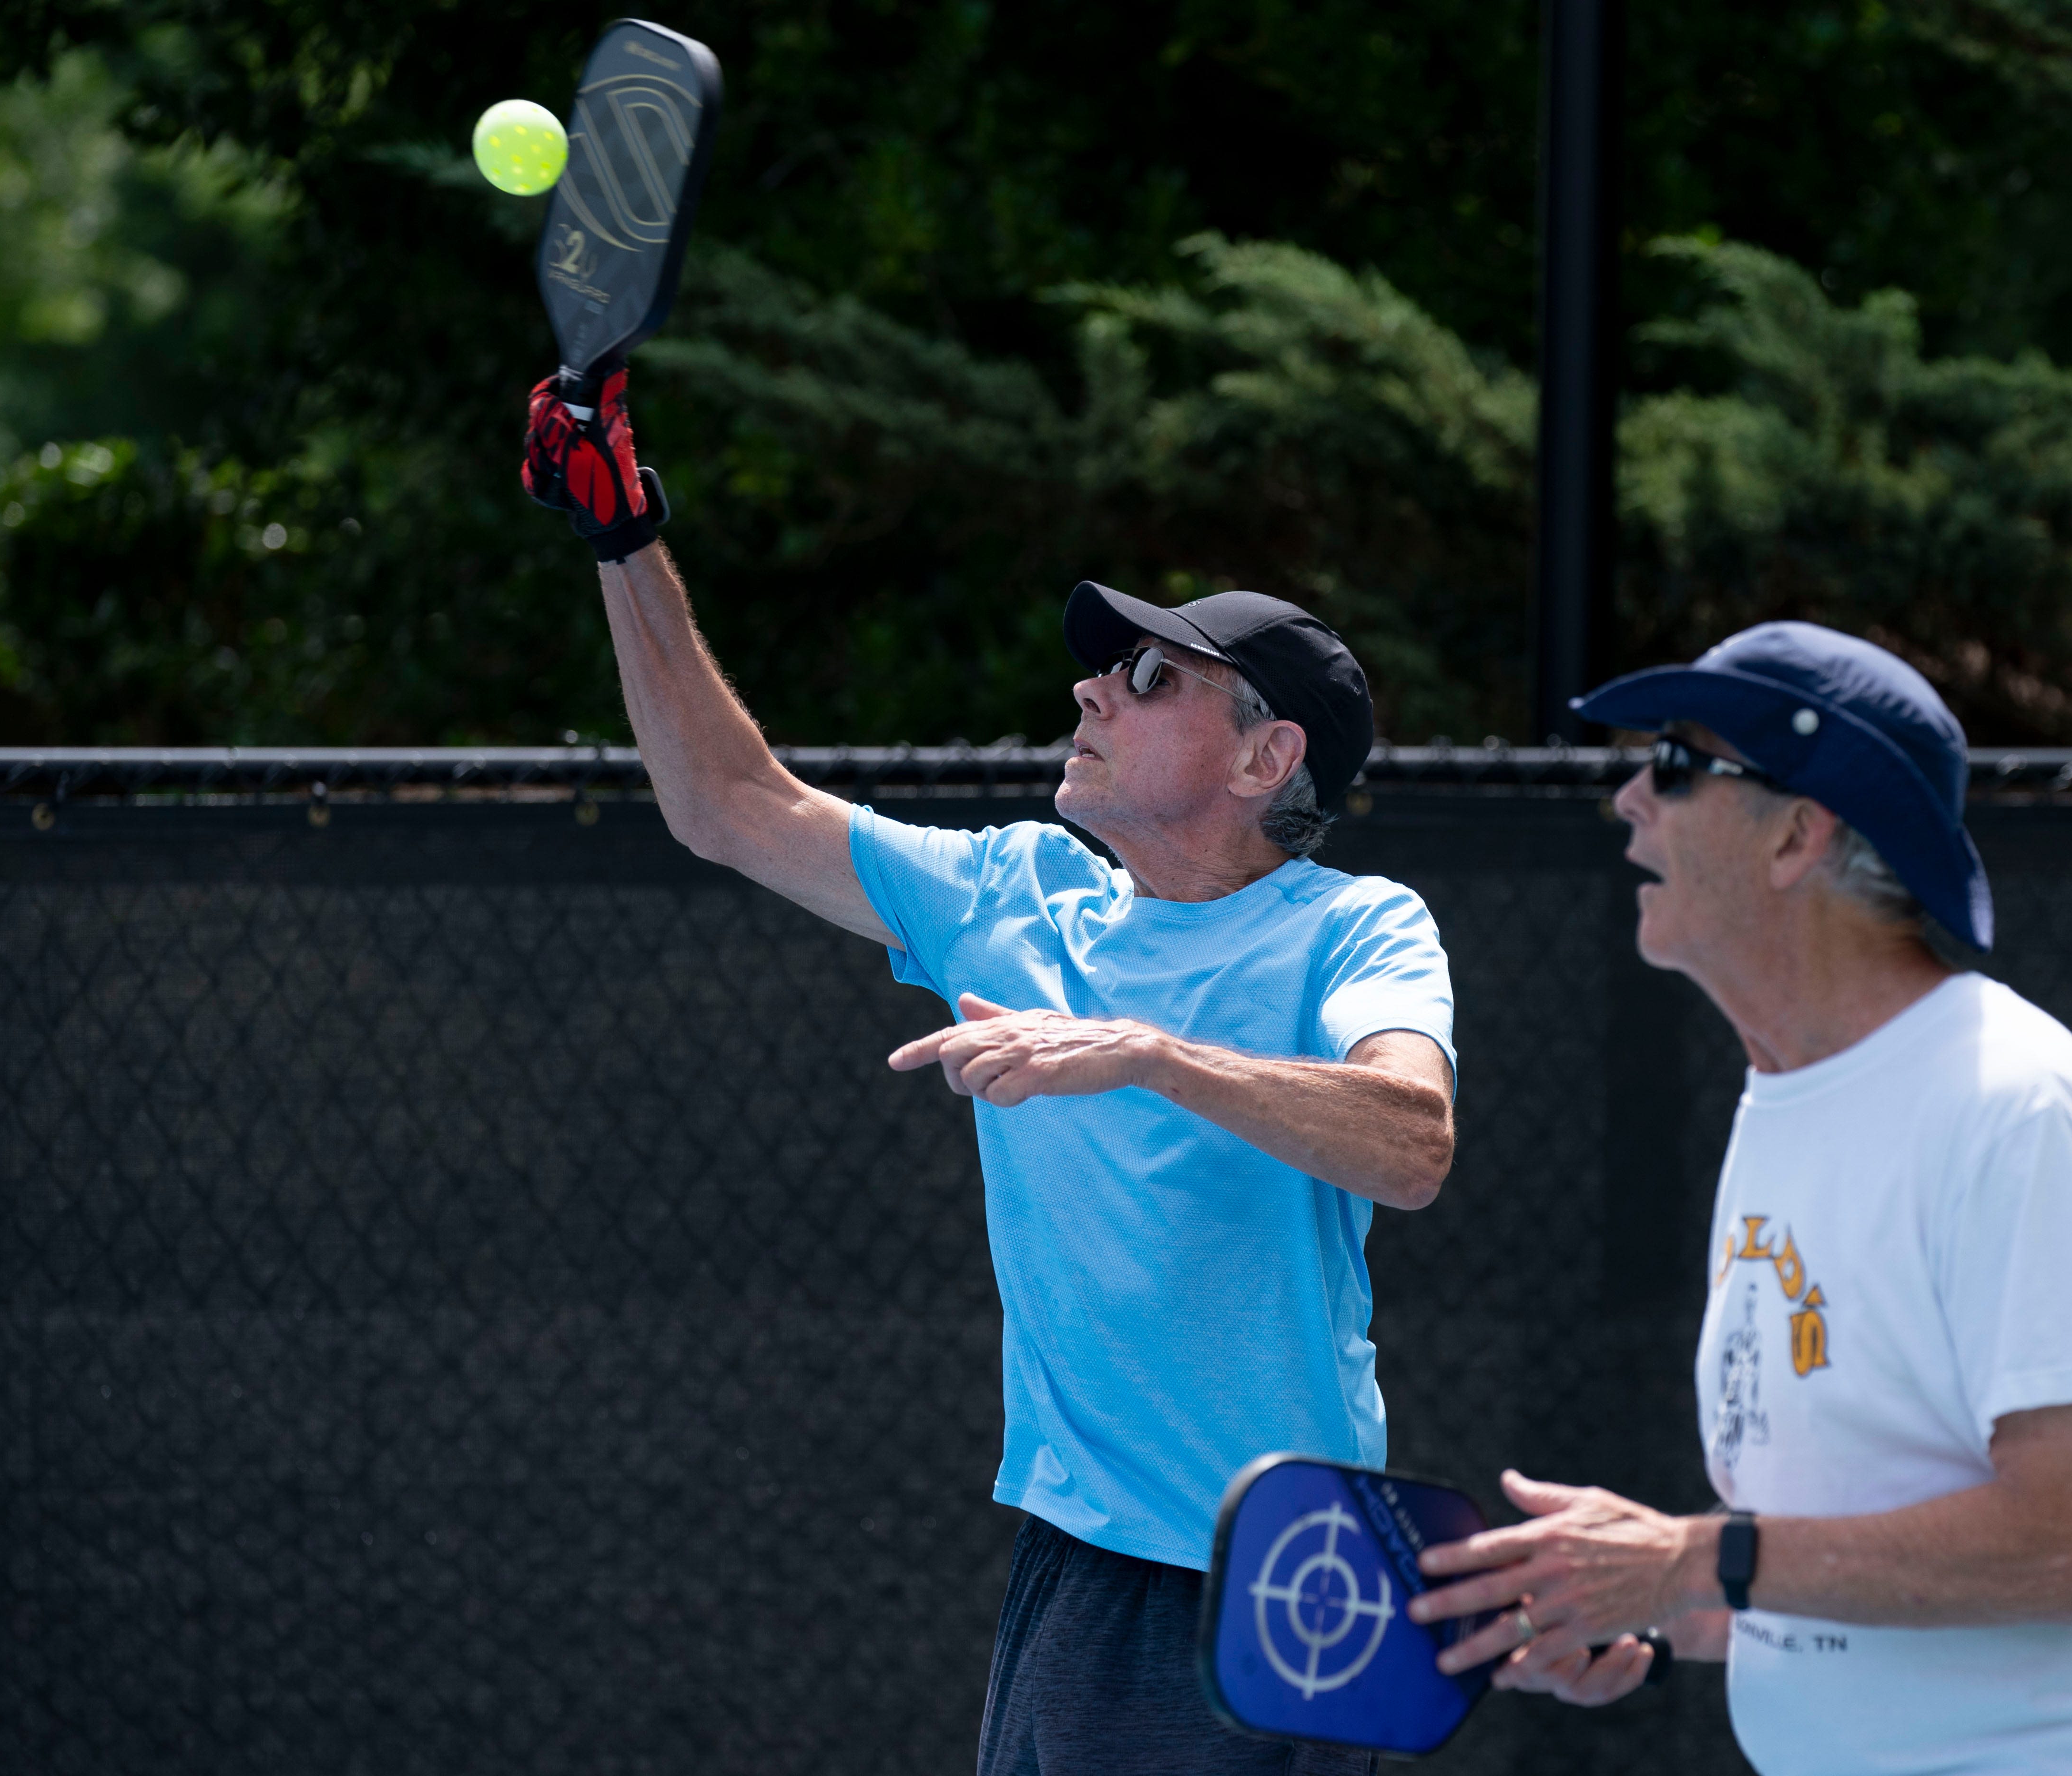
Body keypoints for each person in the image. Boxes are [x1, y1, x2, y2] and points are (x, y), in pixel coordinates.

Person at [522, 368, 1457, 1773]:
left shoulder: (1355, 927)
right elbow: (729, 805)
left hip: (1283, 1579)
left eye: (1153, 678)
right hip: (1081, 1565)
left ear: (1268, 756)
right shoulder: (1013, 893)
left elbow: (1410, 1144)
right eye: (1106, 665)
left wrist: (1147, 1055)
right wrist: (625, 538)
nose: (1092, 685)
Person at [1405, 623, 2072, 1775]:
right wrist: (1638, 1601)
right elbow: (1826, 1582)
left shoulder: (2008, 1096)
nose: (1626, 799)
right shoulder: (1784, 1096)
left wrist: (1695, 1557)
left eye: (1673, 762)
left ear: (1796, 835)